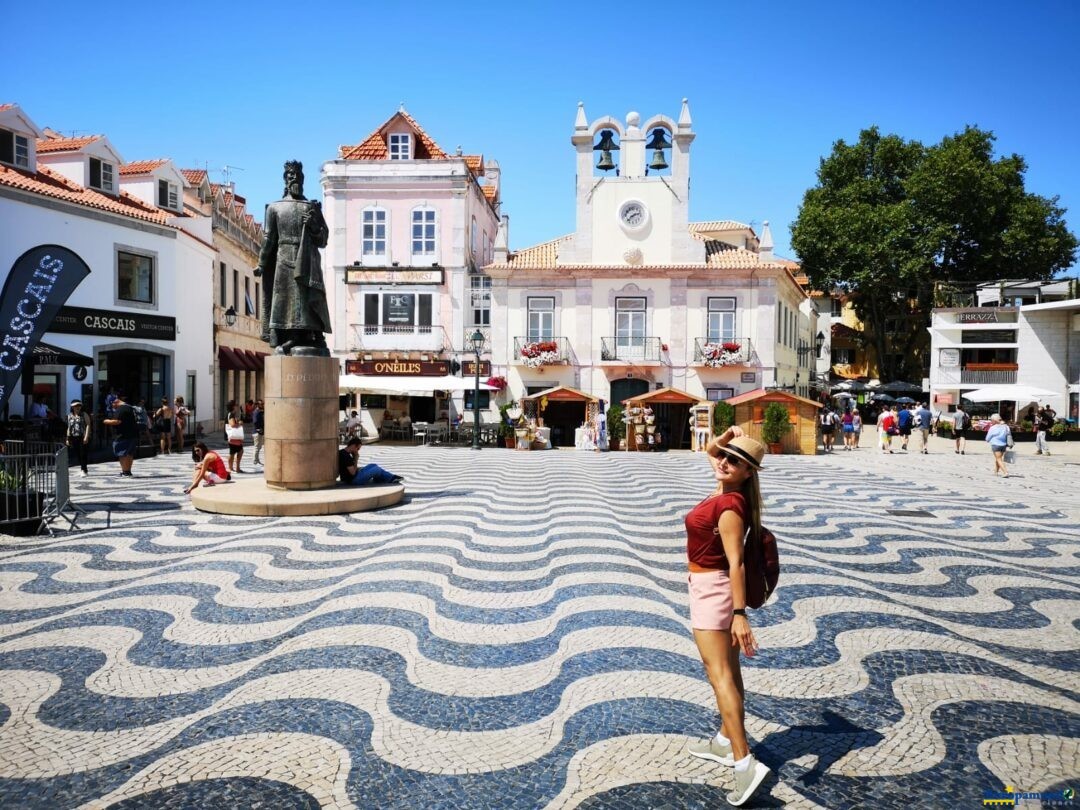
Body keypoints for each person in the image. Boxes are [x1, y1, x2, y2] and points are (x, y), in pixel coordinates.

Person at [685, 427, 771, 806]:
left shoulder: (730, 507)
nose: (723, 461)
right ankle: (723, 742)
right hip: (708, 589)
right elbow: (709, 449)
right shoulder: (725, 489)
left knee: (719, 676)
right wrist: (728, 436)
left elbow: (736, 564)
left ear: (748, 472)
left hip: (714, 593)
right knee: (730, 673)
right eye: (725, 456)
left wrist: (739, 614)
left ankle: (744, 763)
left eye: (734, 460)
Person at [255, 160, 332, 356]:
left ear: (303, 179)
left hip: (308, 260)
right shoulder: (275, 208)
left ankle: (312, 334)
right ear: (285, 180)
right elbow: (269, 238)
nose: (295, 179)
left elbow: (324, 239)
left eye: (298, 176)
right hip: (284, 259)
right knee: (285, 300)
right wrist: (262, 263)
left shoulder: (312, 207)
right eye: (291, 176)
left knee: (308, 298)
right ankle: (289, 336)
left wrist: (314, 226)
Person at [338, 437, 403, 485]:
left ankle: (385, 478)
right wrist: (356, 458)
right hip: (353, 480)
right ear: (353, 445)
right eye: (357, 449)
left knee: (373, 465)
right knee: (376, 469)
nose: (357, 451)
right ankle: (390, 478)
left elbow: (349, 469)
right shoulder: (346, 456)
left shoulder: (343, 452)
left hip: (351, 478)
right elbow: (353, 473)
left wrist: (358, 469)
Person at [103, 392, 137, 477]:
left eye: (112, 405)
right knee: (129, 454)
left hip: (123, 435)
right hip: (132, 434)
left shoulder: (121, 409)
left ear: (115, 402)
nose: (113, 408)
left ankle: (125, 471)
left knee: (122, 454)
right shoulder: (129, 407)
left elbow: (117, 421)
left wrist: (106, 421)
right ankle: (128, 471)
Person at [66, 400, 91, 477]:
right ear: (72, 407)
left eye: (79, 406)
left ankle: (84, 470)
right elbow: (69, 427)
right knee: (78, 454)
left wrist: (86, 436)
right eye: (76, 406)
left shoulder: (84, 414)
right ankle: (83, 469)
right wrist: (67, 438)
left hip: (82, 436)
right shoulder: (69, 416)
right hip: (74, 437)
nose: (78, 407)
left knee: (83, 453)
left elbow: (88, 425)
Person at [985, 413, 1011, 477]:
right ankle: (996, 472)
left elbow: (987, 438)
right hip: (1003, 445)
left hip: (995, 444)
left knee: (999, 459)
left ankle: (1005, 472)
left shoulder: (993, 428)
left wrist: (988, 440)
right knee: (998, 458)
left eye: (991, 420)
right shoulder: (1006, 426)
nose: (991, 421)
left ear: (994, 420)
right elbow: (1009, 434)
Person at [225, 400, 245, 473]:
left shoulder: (231, 414)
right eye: (236, 405)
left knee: (234, 452)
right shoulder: (231, 415)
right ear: (233, 406)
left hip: (233, 437)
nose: (237, 406)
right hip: (234, 437)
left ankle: (233, 468)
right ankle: (235, 468)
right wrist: (239, 423)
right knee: (237, 451)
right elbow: (232, 424)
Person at [252, 400, 265, 465]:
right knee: (257, 447)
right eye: (261, 404)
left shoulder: (260, 412)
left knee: (259, 447)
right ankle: (255, 460)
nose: (263, 405)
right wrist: (258, 429)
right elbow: (255, 421)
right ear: (258, 405)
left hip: (259, 432)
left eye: (263, 404)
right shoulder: (256, 412)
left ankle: (257, 459)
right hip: (257, 432)